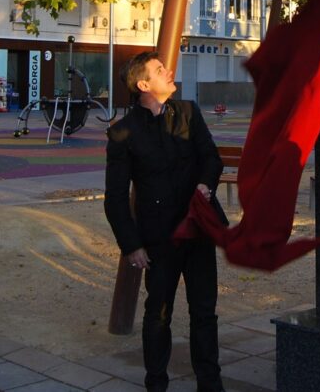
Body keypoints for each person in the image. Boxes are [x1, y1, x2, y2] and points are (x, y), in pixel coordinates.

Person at [104, 52, 225, 392]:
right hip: (159, 239)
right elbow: (115, 198)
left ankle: (210, 384)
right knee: (158, 313)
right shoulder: (122, 133)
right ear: (144, 85)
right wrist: (132, 245)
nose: (169, 71)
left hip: (198, 230)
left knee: (205, 312)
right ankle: (156, 383)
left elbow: (211, 158)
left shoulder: (189, 112)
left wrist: (206, 184)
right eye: (160, 70)